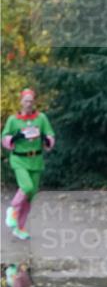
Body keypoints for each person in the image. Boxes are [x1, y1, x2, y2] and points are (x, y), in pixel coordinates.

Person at [2, 87, 55, 240]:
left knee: (30, 196)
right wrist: (14, 138)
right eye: (26, 101)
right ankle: (12, 210)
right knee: (27, 186)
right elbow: (4, 137)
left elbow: (50, 134)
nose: (29, 104)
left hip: (36, 160)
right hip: (19, 159)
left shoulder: (41, 118)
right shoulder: (13, 120)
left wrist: (46, 139)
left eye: (31, 101)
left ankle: (19, 227)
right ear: (21, 102)